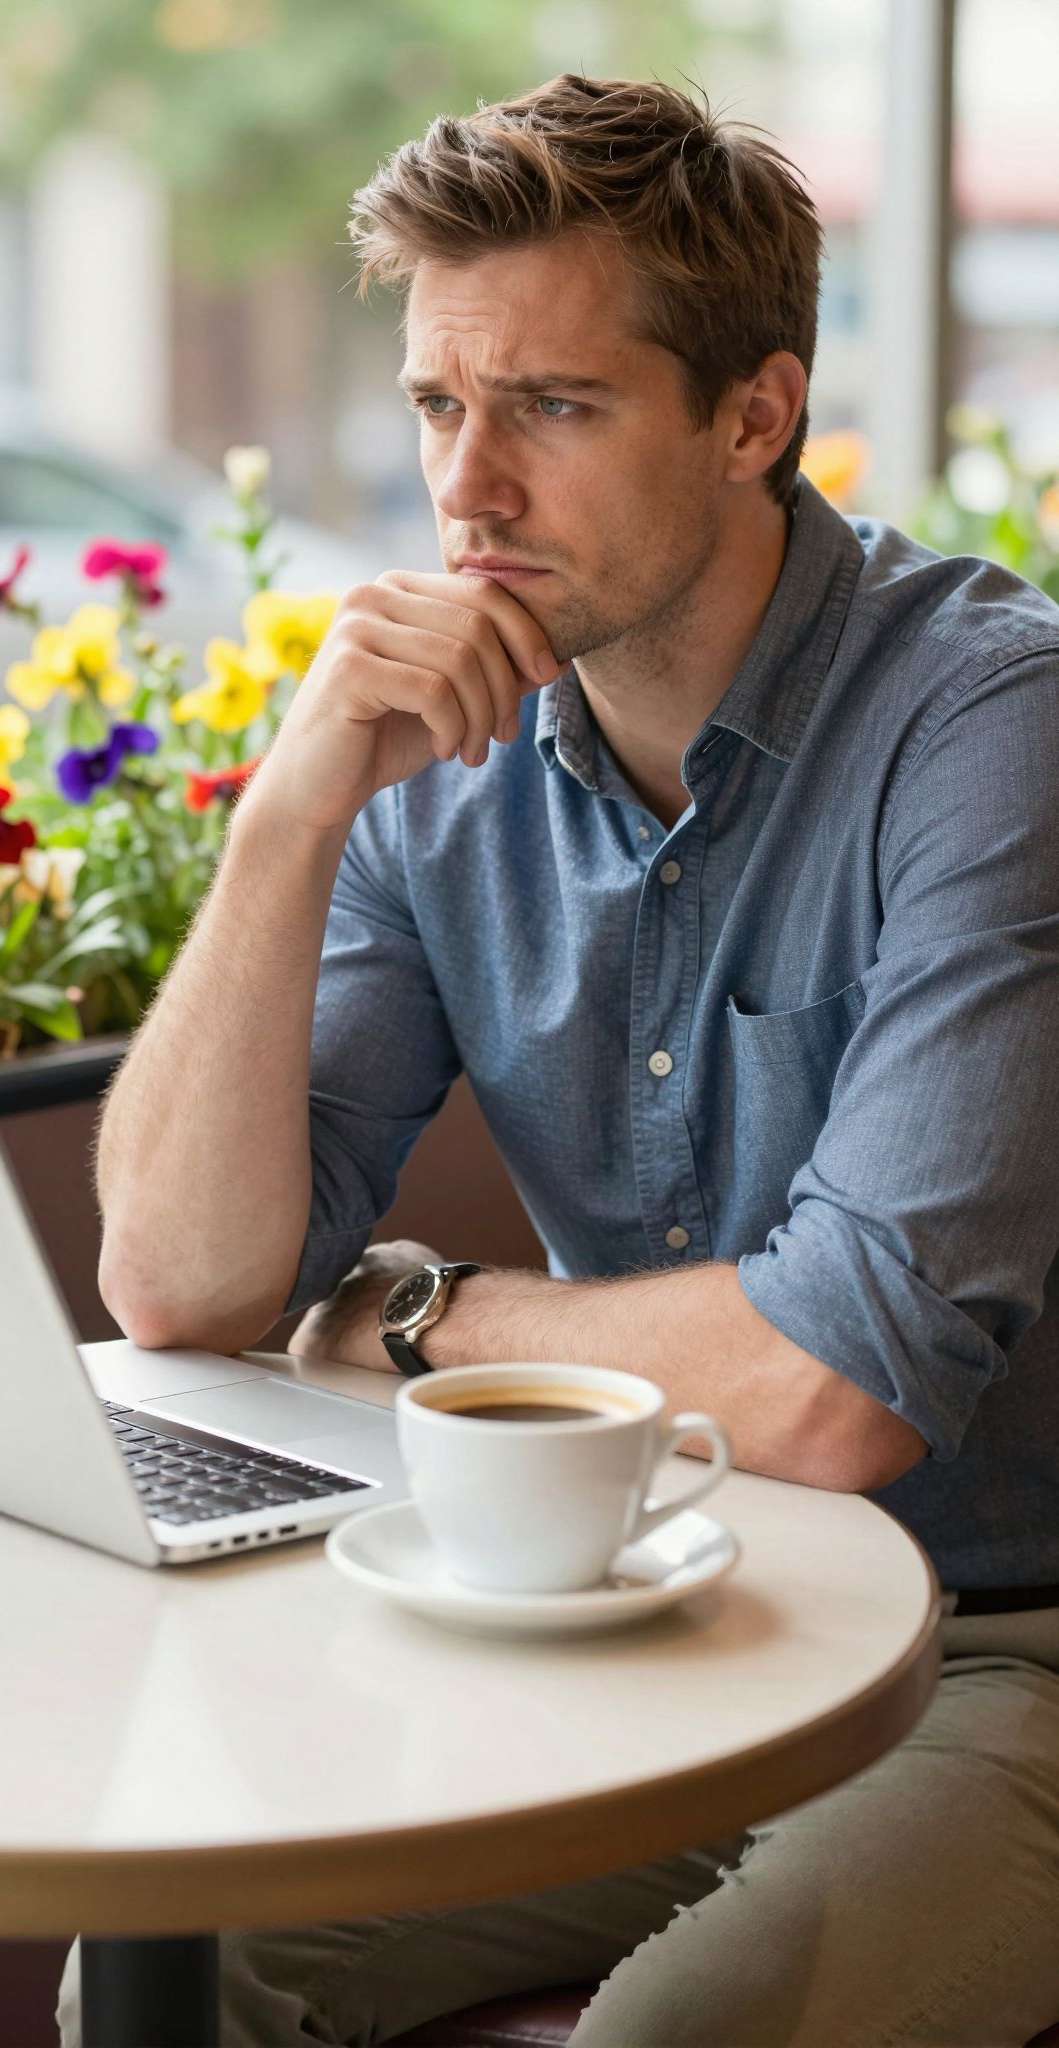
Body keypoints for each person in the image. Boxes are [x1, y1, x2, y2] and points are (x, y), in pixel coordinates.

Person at [59, 73, 1059, 2048]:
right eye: (442, 402)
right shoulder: (449, 754)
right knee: (172, 1969)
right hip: (658, 1619)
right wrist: (291, 811)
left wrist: (427, 1324)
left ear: (755, 415)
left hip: (1002, 1652)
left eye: (555, 407)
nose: (468, 486)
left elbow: (840, 1383)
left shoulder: (992, 733)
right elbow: (185, 1284)